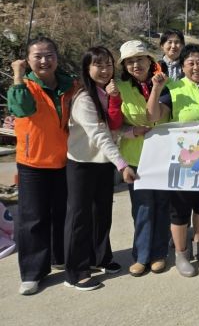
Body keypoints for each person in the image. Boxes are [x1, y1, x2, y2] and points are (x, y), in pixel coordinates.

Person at [9, 36, 79, 295]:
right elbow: (21, 109)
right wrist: (18, 76)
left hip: (64, 159)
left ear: (57, 57)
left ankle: (59, 257)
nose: (44, 61)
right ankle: (32, 273)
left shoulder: (69, 84)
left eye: (49, 55)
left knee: (62, 214)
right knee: (33, 219)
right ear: (27, 60)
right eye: (37, 56)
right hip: (33, 162)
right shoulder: (23, 85)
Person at [64, 46, 137, 291]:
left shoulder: (106, 93)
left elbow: (113, 127)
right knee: (79, 217)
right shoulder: (84, 98)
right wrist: (122, 164)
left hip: (103, 163)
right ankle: (75, 272)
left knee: (102, 213)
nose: (105, 70)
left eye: (108, 65)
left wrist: (132, 131)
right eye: (98, 65)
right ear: (87, 68)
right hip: (82, 164)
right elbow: (99, 135)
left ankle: (100, 257)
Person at [147, 43, 199, 277]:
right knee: (179, 208)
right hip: (181, 159)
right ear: (182, 67)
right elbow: (153, 116)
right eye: (190, 63)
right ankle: (181, 253)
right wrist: (156, 89)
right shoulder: (174, 89)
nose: (196, 67)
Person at [108, 40, 170, 277]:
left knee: (162, 206)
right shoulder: (118, 88)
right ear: (124, 66)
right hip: (136, 157)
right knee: (142, 208)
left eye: (140, 59)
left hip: (163, 156)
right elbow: (113, 124)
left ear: (150, 61)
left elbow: (155, 117)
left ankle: (159, 254)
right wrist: (130, 131)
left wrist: (156, 88)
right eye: (130, 61)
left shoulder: (166, 85)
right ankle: (141, 256)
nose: (136, 65)